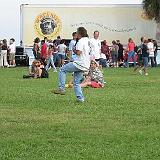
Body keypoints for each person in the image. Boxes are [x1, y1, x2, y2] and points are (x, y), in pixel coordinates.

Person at [53, 27, 91, 102]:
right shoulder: (88, 40)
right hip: (86, 64)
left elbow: (79, 52)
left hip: (79, 63)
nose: (76, 34)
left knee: (62, 70)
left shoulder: (80, 41)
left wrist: (74, 50)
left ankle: (61, 88)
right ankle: (80, 99)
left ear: (79, 33)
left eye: (77, 32)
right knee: (76, 82)